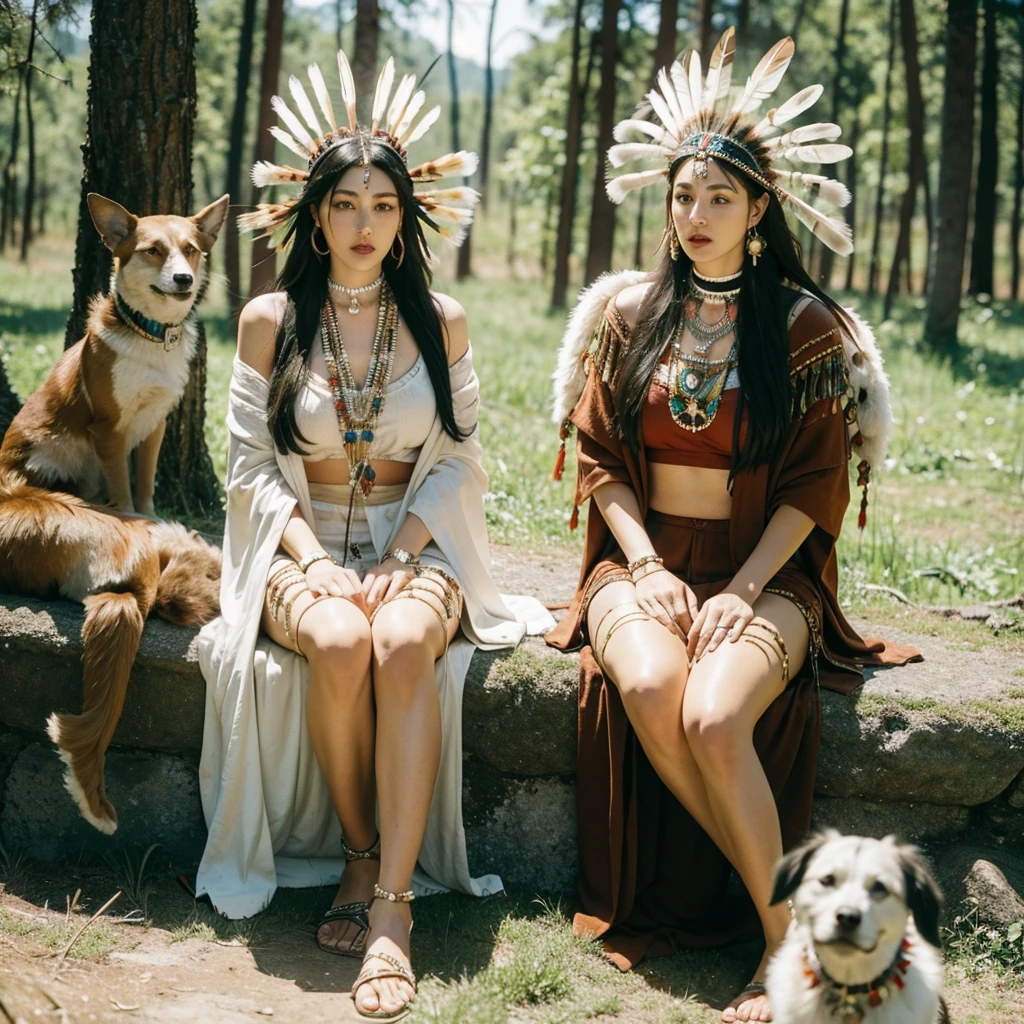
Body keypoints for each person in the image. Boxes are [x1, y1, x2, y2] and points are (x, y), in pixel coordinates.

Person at [546, 29, 920, 1024]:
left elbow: (814, 485)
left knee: (715, 715)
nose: (695, 213)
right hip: (641, 561)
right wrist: (644, 567)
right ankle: (794, 935)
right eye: (682, 194)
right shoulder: (628, 313)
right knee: (652, 683)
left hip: (769, 571)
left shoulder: (803, 328)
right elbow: (601, 465)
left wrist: (746, 586)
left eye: (719, 196)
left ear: (760, 209)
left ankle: (777, 950)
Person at [196, 52, 550, 1021]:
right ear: (314, 214)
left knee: (397, 637)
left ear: (407, 218)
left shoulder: (441, 320)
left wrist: (399, 558)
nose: (363, 223)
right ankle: (359, 851)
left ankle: (392, 910)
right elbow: (251, 467)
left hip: (416, 539)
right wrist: (312, 561)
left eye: (383, 205)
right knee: (343, 635)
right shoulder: (270, 320)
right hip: (296, 540)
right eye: (346, 202)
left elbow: (461, 460)